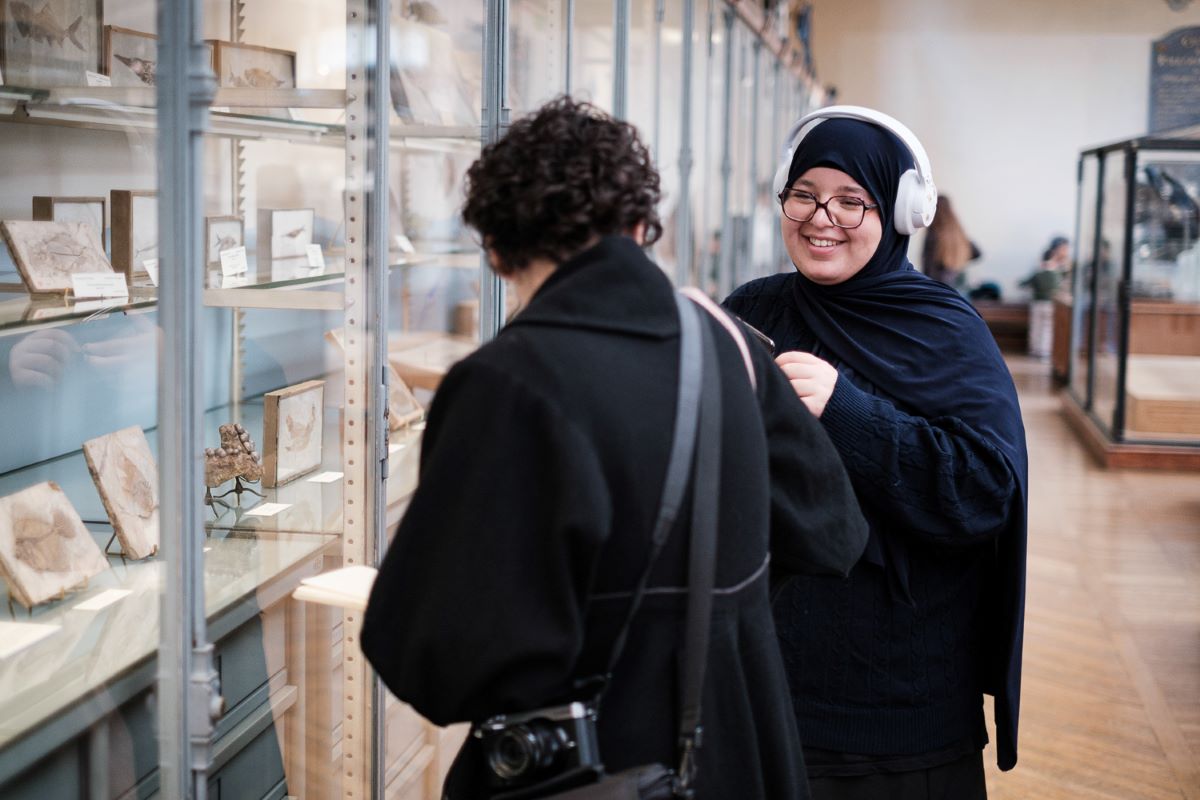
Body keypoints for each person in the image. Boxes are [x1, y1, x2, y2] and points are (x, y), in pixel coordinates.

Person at [361, 98, 869, 800]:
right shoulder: (723, 342)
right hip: (742, 744)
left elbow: (431, 662)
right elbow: (834, 532)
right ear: (638, 227)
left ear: (496, 247)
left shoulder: (506, 383)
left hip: (596, 767)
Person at [724, 107, 1028, 800]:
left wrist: (846, 410)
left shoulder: (946, 330)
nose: (821, 218)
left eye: (850, 200)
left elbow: (984, 493)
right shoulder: (753, 309)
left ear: (898, 211)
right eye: (804, 195)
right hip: (762, 683)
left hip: (896, 714)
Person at [1021, 236, 1070, 358]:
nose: (1064, 252)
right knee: (1047, 329)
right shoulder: (1056, 271)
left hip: (1039, 302)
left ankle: (1035, 350)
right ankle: (1044, 351)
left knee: (1037, 327)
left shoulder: (1043, 270)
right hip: (1049, 302)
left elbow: (1026, 283)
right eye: (1062, 249)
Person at [920, 195, 980, 289]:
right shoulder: (958, 232)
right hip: (956, 287)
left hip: (938, 288)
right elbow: (977, 253)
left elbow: (928, 266)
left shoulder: (934, 233)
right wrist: (959, 260)